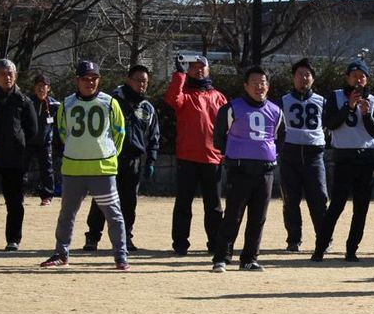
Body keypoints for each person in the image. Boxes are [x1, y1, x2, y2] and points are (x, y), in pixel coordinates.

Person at [40, 61, 128, 270]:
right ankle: (61, 253)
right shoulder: (67, 104)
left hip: (103, 169)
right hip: (73, 169)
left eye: (94, 78)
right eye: (85, 79)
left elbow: (120, 132)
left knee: (113, 214)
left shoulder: (109, 102)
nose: (90, 83)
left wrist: (109, 154)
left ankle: (120, 255)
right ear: (76, 80)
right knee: (67, 214)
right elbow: (62, 132)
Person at [210, 66, 284, 272]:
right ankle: (221, 258)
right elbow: (219, 137)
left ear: (268, 86)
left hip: (265, 171)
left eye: (263, 83)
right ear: (245, 85)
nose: (259, 87)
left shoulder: (276, 111)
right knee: (233, 215)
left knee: (258, 217)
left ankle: (250, 258)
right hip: (240, 169)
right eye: (255, 83)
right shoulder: (232, 108)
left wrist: (270, 154)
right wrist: (234, 152)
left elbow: (281, 137)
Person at [85, 64, 159, 251]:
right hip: (109, 158)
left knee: (129, 202)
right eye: (138, 80)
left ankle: (126, 237)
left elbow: (153, 137)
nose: (142, 84)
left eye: (145, 81)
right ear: (128, 80)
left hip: (133, 161)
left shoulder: (147, 108)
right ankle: (92, 237)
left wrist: (150, 161)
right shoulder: (111, 102)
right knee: (103, 199)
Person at [316, 59, 374, 262]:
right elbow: (330, 124)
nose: (358, 80)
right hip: (344, 157)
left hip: (366, 157)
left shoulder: (373, 101)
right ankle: (320, 248)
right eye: (354, 76)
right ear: (347, 78)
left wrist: (365, 113)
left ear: (367, 79)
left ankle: (351, 250)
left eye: (362, 76)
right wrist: (349, 106)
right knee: (336, 205)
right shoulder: (335, 97)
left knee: (361, 208)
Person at [166, 54, 226, 255]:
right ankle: (180, 244)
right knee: (183, 204)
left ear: (208, 70)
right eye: (193, 67)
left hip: (213, 157)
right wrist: (179, 74)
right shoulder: (184, 94)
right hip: (187, 158)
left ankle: (216, 243)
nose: (198, 70)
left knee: (214, 206)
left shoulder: (218, 96)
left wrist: (227, 152)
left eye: (202, 67)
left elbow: (229, 126)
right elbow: (172, 99)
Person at [0, 59, 37, 250]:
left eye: (11, 73)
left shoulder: (23, 100)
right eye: (3, 73)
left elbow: (32, 129)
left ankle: (13, 239)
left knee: (15, 203)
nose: (7, 77)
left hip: (15, 160)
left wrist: (18, 143)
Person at [278, 58, 328, 254]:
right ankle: (293, 239)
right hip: (289, 153)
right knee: (290, 200)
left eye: (307, 75)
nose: (303, 78)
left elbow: (329, 124)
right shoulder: (282, 101)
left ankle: (323, 238)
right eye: (299, 74)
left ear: (313, 79)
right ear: (293, 78)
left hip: (314, 154)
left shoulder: (322, 101)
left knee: (319, 198)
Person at [27, 74, 58, 205]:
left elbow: (60, 123)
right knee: (22, 169)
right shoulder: (27, 102)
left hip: (45, 142)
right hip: (28, 142)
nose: (41, 89)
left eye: (43, 86)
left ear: (48, 88)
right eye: (38, 86)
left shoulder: (55, 105)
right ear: (34, 88)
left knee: (47, 169)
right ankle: (19, 194)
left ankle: (47, 196)